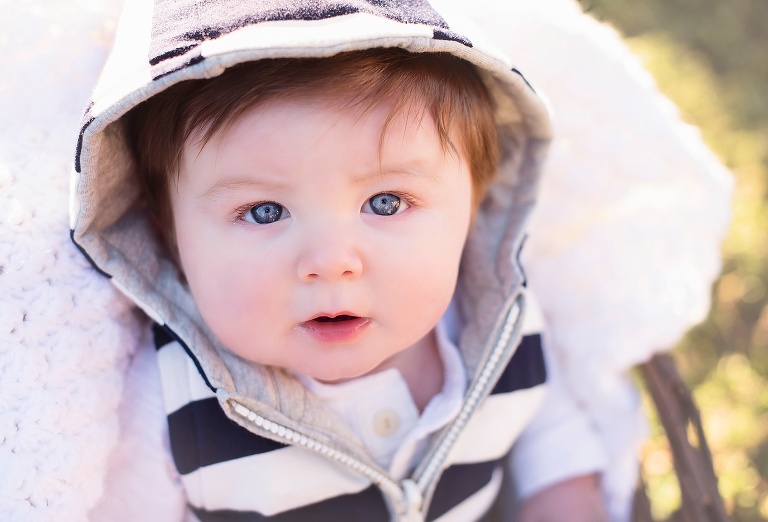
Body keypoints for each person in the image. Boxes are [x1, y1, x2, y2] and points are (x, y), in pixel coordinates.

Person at [71, 0, 613, 520]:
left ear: (475, 206)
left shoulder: (498, 323)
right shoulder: (170, 407)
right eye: (263, 212)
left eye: (386, 203)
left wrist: (561, 489)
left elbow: (546, 415)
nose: (331, 263)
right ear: (169, 238)